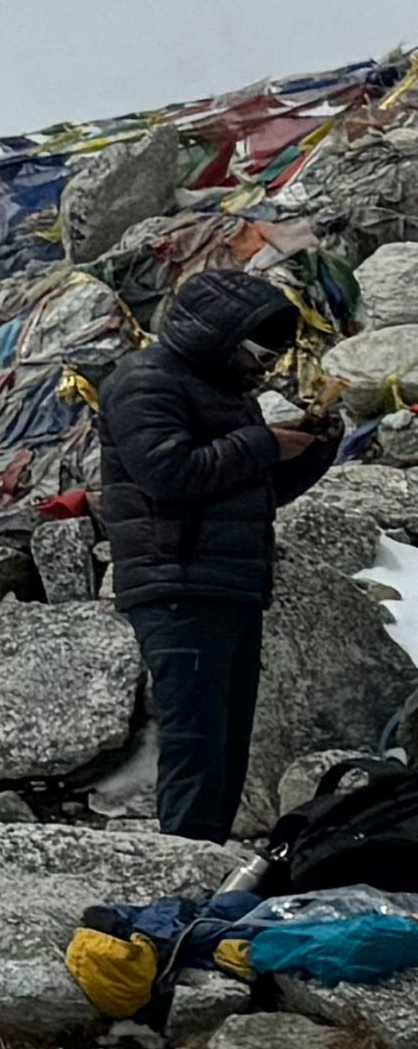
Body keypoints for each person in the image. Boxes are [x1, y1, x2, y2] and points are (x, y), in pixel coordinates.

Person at [95, 264, 357, 842]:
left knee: (227, 742)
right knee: (194, 740)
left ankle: (206, 861)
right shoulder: (145, 381)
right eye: (257, 353)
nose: (263, 369)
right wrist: (264, 442)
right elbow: (168, 473)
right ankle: (183, 868)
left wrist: (313, 449)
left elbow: (254, 492)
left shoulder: (226, 396)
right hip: (177, 584)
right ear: (216, 335)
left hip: (230, 585)